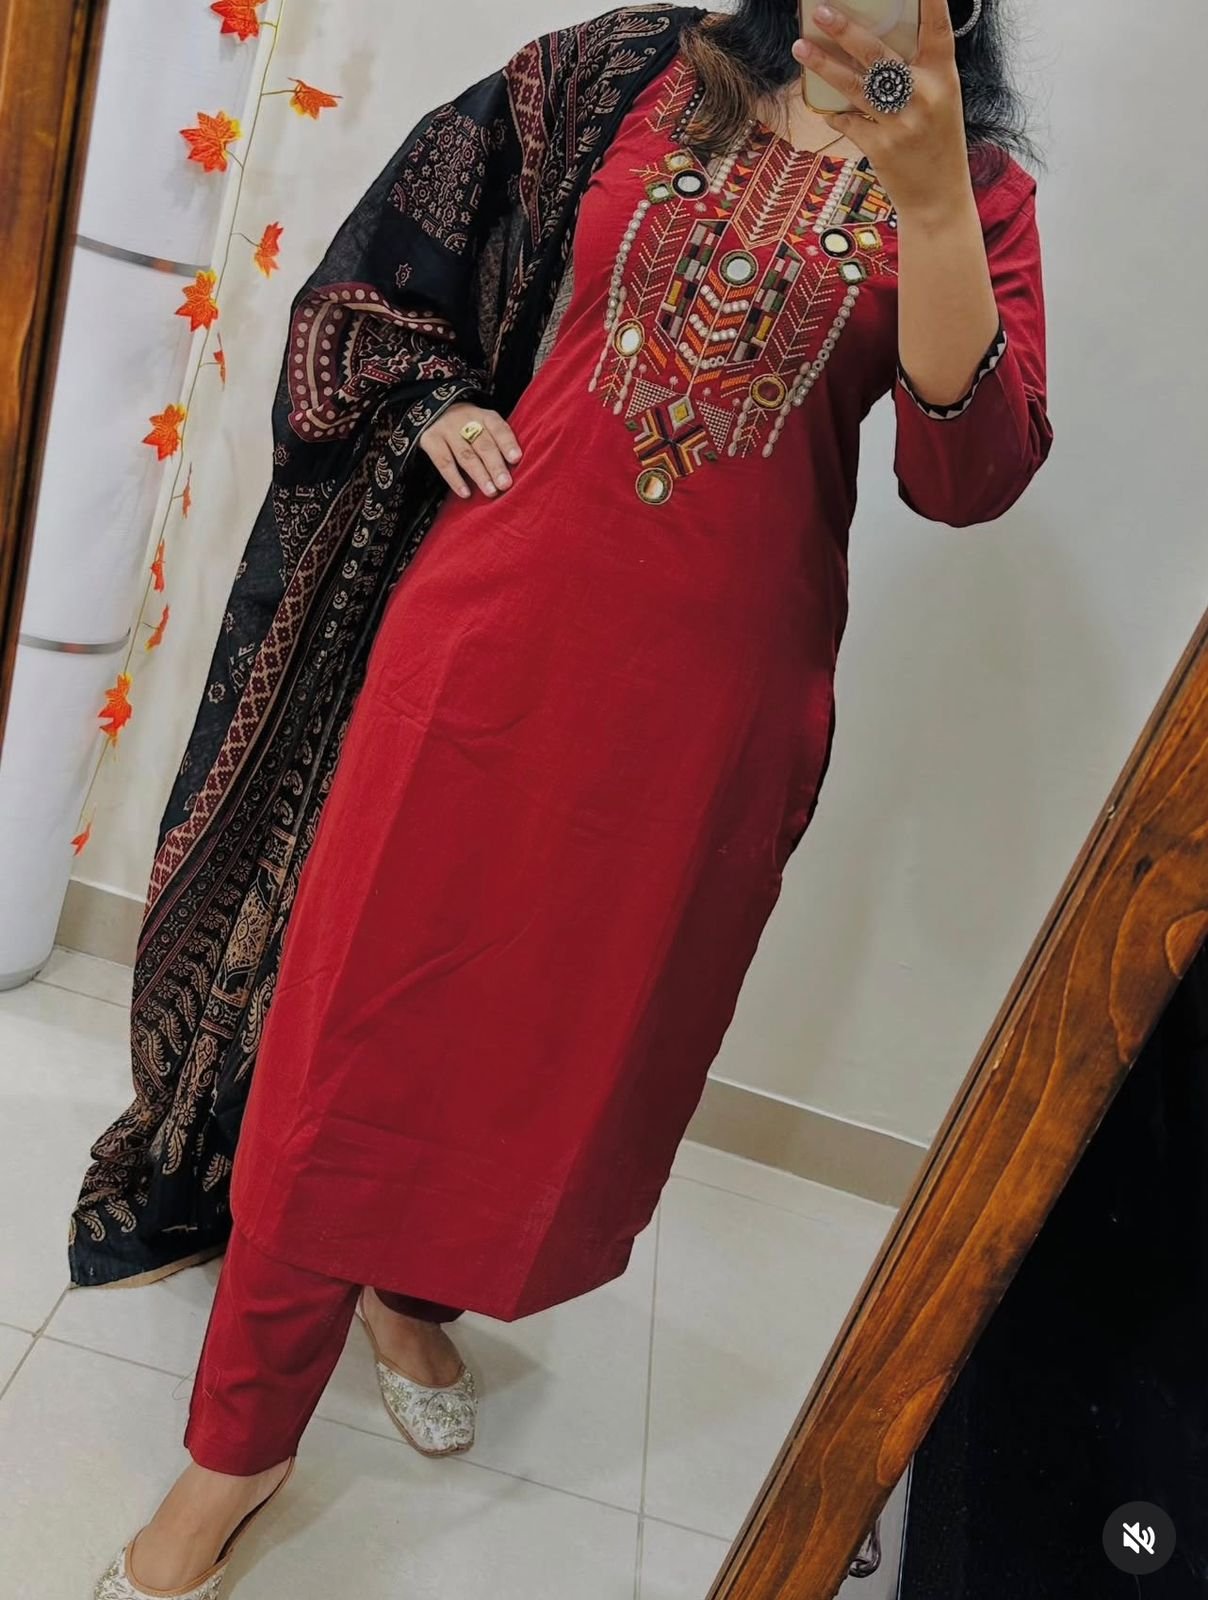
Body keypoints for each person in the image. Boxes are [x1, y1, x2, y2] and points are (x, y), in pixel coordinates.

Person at [86, 0, 1052, 1593]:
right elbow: (409, 244)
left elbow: (969, 479)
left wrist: (937, 196)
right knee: (351, 1038)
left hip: (709, 720)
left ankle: (412, 1291)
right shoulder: (642, 74)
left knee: (553, 1057)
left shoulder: (981, 193)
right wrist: (430, 401)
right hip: (488, 648)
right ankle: (238, 1444)